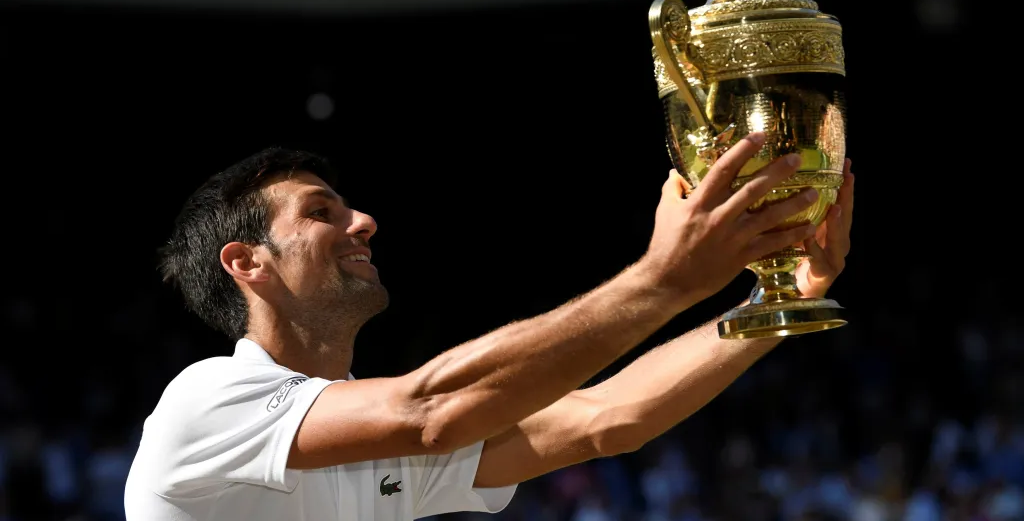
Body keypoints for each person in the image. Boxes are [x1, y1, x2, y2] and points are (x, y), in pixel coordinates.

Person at [123, 130, 854, 521]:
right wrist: (661, 280)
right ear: (247, 263)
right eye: (322, 212)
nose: (364, 221)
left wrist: (772, 304)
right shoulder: (205, 402)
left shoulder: (372, 439)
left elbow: (609, 417)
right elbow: (429, 410)